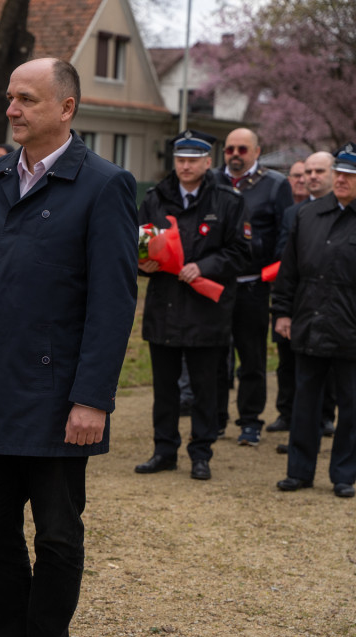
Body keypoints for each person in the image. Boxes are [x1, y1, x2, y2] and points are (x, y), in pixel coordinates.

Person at [0, 59, 137, 637]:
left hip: (58, 398)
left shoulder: (104, 185)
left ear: (67, 107)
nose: (13, 109)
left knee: (56, 536)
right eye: (9, 98)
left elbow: (113, 304)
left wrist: (93, 398)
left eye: (26, 98)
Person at [134, 131, 249, 482]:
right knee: (165, 388)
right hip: (165, 306)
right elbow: (138, 240)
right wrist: (142, 263)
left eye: (192, 160)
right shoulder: (155, 198)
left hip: (206, 310)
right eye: (180, 159)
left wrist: (206, 266)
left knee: (205, 389)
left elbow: (241, 252)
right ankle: (164, 450)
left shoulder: (228, 201)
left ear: (207, 162)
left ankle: (201, 453)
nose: (185, 166)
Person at [273, 143, 356, 499]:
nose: (341, 180)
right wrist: (283, 312)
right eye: (339, 173)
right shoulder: (307, 215)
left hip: (350, 328)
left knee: (351, 406)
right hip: (308, 322)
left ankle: (344, 475)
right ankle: (299, 471)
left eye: (349, 176)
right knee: (304, 401)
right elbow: (288, 270)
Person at [217, 128, 292, 446]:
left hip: (253, 286)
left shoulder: (275, 185)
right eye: (230, 148)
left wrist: (271, 278)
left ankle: (250, 421)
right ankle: (214, 418)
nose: (236, 154)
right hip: (215, 285)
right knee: (215, 357)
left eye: (242, 149)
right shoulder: (212, 182)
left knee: (252, 357)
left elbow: (285, 235)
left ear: (257, 151)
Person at [268, 151, 337, 444]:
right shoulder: (294, 214)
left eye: (319, 171)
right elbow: (285, 260)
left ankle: (325, 417)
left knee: (330, 368)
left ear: (334, 174)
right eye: (307, 172)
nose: (311, 177)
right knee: (291, 365)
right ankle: (292, 417)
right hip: (299, 302)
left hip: (336, 308)